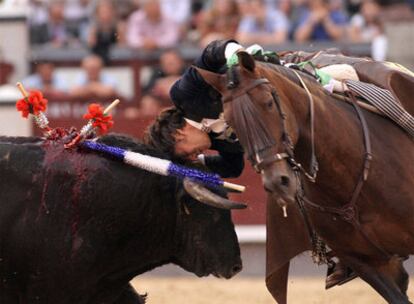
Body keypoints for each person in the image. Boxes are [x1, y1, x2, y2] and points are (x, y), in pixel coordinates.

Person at [145, 39, 245, 178]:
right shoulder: (217, 142)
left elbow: (211, 54)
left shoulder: (184, 97)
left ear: (177, 134)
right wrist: (186, 166)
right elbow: (233, 168)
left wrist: (239, 55)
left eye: (186, 154)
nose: (193, 157)